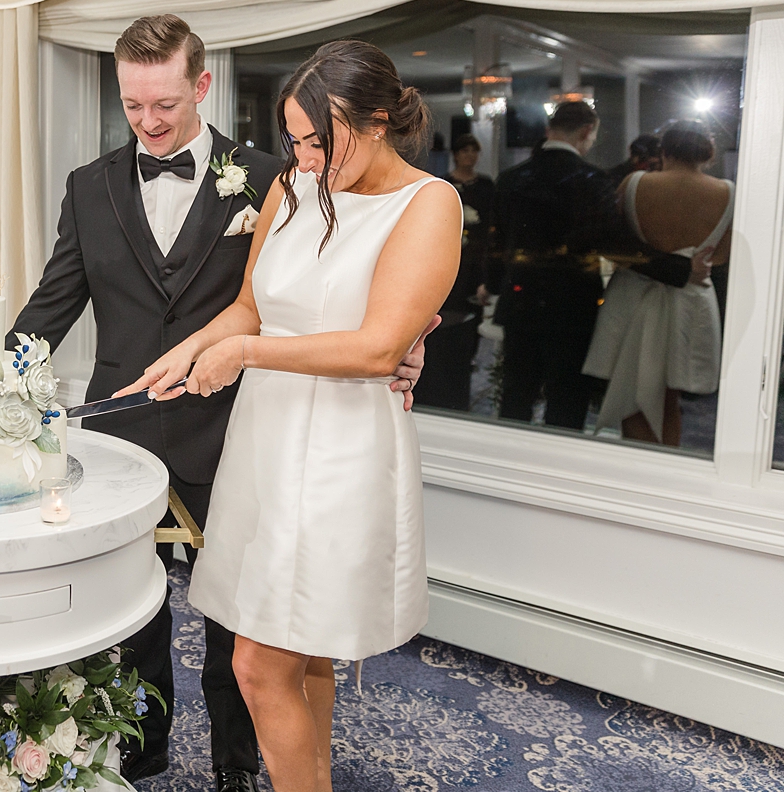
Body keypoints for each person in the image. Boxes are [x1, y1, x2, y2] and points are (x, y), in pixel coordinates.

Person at [121, 39, 462, 792]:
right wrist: (187, 352)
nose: (305, 158)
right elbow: (249, 306)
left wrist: (244, 356)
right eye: (295, 141)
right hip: (266, 439)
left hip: (341, 448)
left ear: (378, 122)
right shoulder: (292, 186)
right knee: (301, 652)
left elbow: (378, 349)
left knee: (256, 663)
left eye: (320, 140)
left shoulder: (429, 204)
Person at [8, 15, 277, 791]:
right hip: (121, 438)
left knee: (231, 614)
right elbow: (52, 305)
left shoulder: (265, 177)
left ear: (202, 84)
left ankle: (234, 762)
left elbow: (291, 301)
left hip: (229, 430)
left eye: (165, 103)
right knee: (133, 607)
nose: (150, 123)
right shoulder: (89, 187)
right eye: (133, 106)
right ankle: (144, 743)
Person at [493, 101, 694, 430]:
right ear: (587, 132)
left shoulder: (511, 178)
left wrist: (493, 282)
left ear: (550, 130)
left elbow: (499, 242)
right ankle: (560, 470)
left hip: (520, 299)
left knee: (516, 394)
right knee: (567, 397)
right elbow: (614, 243)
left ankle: (509, 467)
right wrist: (679, 269)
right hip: (570, 306)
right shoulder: (589, 178)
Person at [583, 123, 733, 446]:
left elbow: (619, 246)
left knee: (633, 385)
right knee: (669, 394)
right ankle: (667, 461)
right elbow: (719, 257)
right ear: (706, 154)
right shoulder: (726, 192)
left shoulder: (635, 184)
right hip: (689, 299)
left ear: (664, 150)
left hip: (633, 296)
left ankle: (639, 466)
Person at [416, 133, 496, 410]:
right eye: (465, 151)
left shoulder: (486, 186)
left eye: (474, 151)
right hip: (449, 254)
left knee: (471, 312)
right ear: (456, 154)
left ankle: (466, 360)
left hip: (476, 257)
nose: (470, 156)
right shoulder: (443, 185)